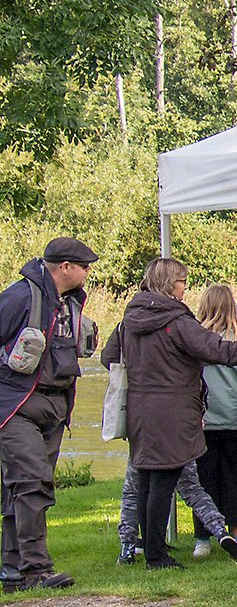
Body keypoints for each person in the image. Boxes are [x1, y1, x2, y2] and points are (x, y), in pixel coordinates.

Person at [121, 257, 237, 569]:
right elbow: (219, 350)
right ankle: (156, 556)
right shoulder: (175, 320)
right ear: (168, 284)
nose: (185, 288)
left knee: (146, 478)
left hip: (139, 407)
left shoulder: (131, 319)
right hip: (172, 409)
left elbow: (110, 355)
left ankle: (150, 546)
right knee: (164, 477)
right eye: (181, 282)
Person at [100, 329, 237, 564]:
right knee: (192, 486)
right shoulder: (178, 327)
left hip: (141, 417)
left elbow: (107, 358)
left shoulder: (127, 326)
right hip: (177, 421)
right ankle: (220, 530)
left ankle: (128, 545)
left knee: (135, 486)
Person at [0, 237, 97, 592]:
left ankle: (13, 571)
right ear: (65, 267)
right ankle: (36, 569)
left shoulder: (69, 302)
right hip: (16, 405)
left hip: (55, 406)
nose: (89, 272)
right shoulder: (19, 297)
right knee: (32, 482)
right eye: (85, 266)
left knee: (20, 489)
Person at [193, 285, 237, 557]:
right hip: (236, 418)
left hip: (204, 420)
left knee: (203, 481)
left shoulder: (196, 342)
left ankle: (202, 538)